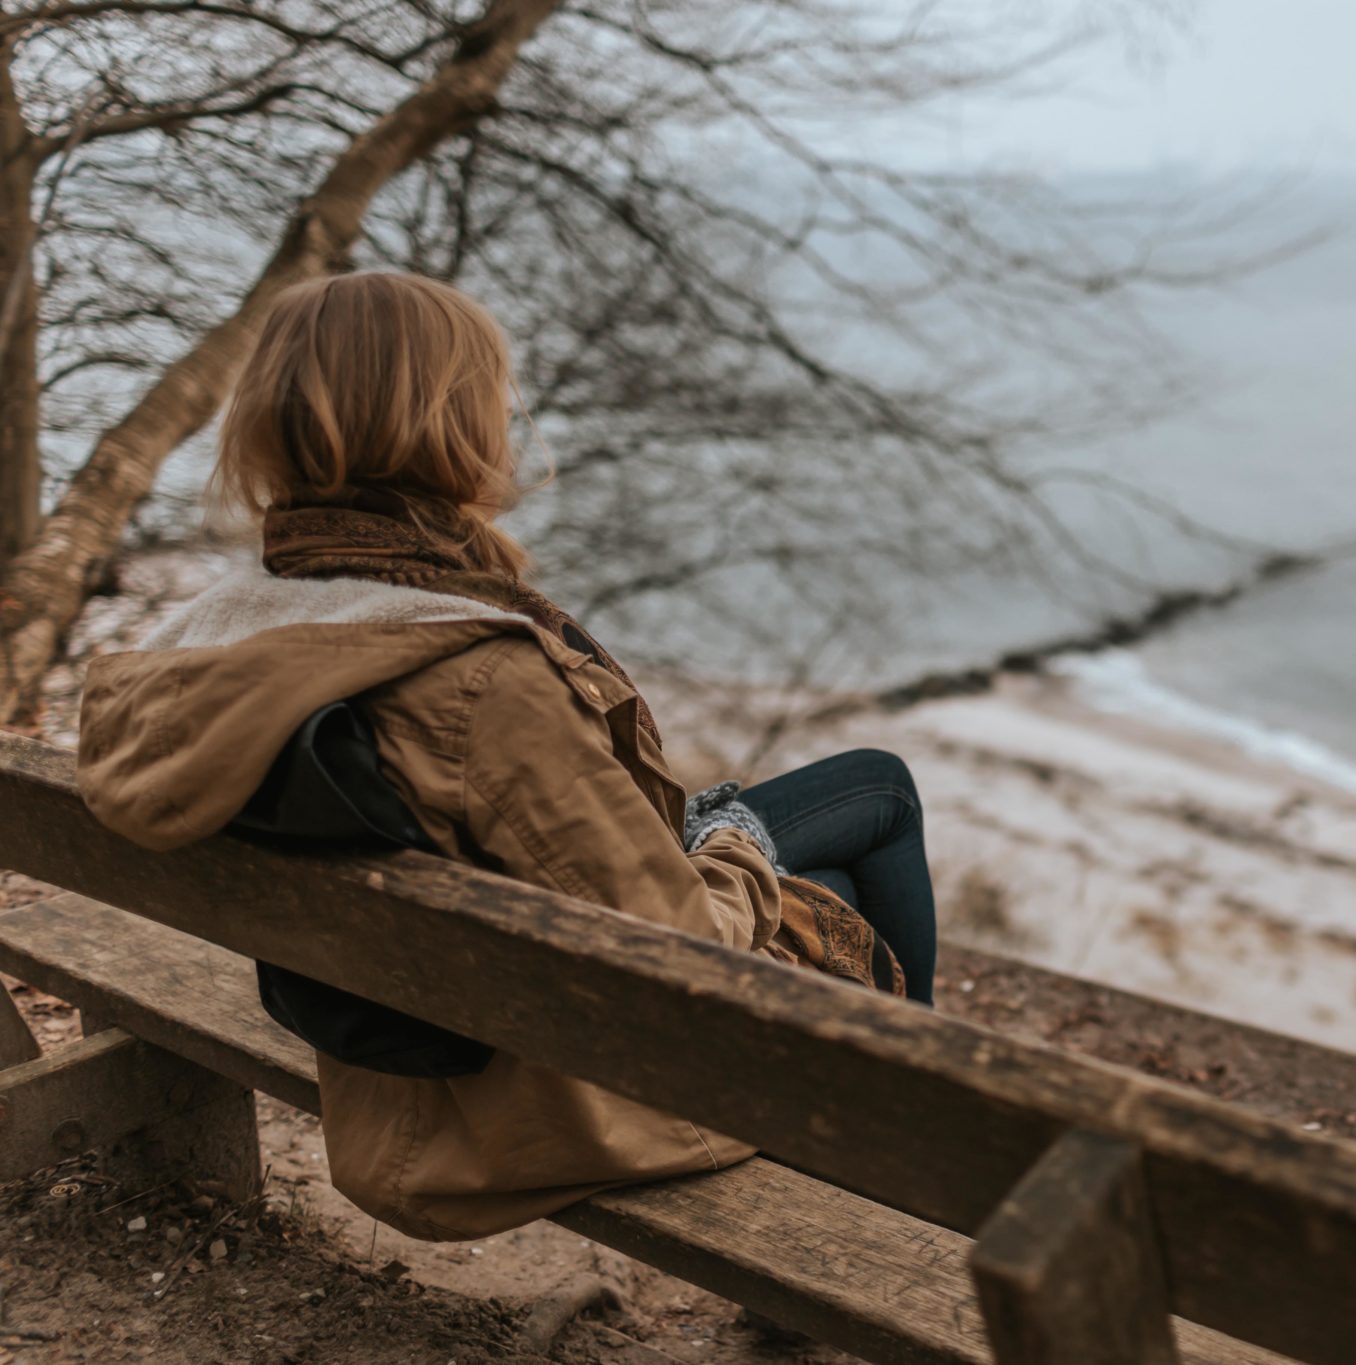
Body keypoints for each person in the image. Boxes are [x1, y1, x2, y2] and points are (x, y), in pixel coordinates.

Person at [71, 270, 939, 1241]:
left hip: (392, 1075)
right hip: (531, 1108)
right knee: (861, 831)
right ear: (452, 422)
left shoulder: (216, 634)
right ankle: (917, 1169)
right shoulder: (480, 679)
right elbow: (676, 951)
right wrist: (732, 845)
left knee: (867, 787)